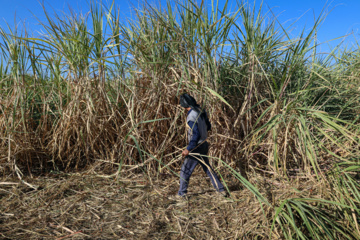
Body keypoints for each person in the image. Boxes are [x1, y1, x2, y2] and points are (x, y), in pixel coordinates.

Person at [175, 93, 228, 200]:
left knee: (185, 170)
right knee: (207, 168)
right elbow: (208, 126)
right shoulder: (200, 111)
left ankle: (181, 194)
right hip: (204, 144)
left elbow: (196, 134)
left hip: (196, 147)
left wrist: (188, 149)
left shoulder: (191, 116)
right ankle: (221, 189)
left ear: (184, 105)